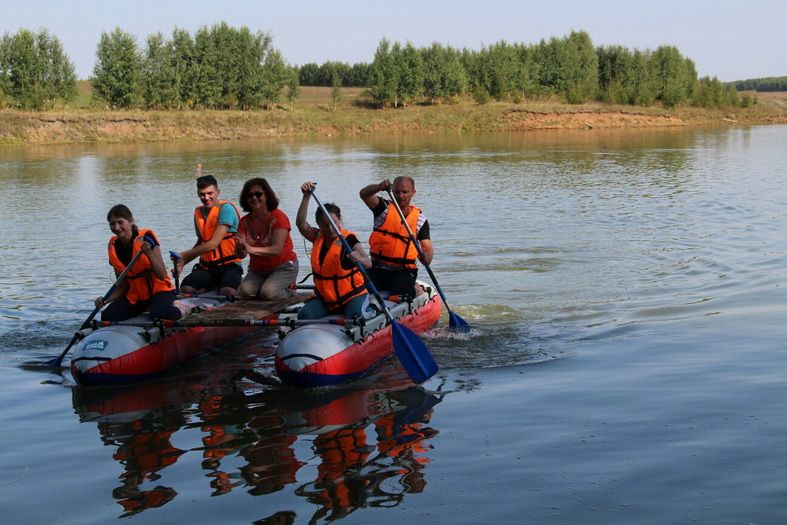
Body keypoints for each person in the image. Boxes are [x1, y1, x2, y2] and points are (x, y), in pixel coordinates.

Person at [295, 181, 371, 320]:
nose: (330, 229)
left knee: (354, 316)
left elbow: (368, 263)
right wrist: (306, 197)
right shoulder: (317, 237)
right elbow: (300, 224)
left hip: (352, 296)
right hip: (327, 300)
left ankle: (371, 311)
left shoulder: (349, 240)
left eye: (333, 223)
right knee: (304, 315)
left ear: (339, 220)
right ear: (318, 224)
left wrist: (358, 258)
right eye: (325, 225)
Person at [97, 204, 183, 322]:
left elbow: (162, 275)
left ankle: (183, 309)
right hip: (136, 297)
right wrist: (104, 300)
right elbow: (122, 286)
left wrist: (149, 253)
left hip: (160, 291)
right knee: (107, 315)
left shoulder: (146, 238)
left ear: (130, 221)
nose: (116, 227)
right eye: (112, 223)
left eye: (120, 222)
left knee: (159, 314)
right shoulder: (112, 246)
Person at [172, 165, 242, 296]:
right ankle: (208, 288)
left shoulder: (226, 209)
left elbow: (213, 244)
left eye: (210, 193)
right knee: (186, 288)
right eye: (202, 194)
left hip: (230, 266)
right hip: (207, 268)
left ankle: (222, 286)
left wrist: (184, 255)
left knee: (227, 291)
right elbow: (201, 241)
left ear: (218, 192)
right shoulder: (198, 213)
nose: (206, 197)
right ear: (198, 194)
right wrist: (182, 263)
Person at [359, 176, 433, 298]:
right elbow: (364, 194)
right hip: (378, 269)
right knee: (358, 289)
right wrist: (379, 187)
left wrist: (426, 257)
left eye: (405, 192)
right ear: (392, 191)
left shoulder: (420, 220)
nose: (401, 196)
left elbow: (427, 250)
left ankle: (416, 290)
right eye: (397, 192)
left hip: (403, 271)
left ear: (413, 193)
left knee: (400, 294)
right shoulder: (383, 209)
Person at [235, 177, 299, 300]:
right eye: (250, 195)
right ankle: (265, 290)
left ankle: (290, 291)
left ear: (267, 195)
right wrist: (240, 248)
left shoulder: (279, 218)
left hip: (284, 266)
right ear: (246, 199)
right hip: (258, 269)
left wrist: (251, 249)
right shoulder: (244, 222)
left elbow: (277, 250)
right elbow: (241, 255)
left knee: (269, 293)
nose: (254, 198)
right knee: (244, 291)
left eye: (258, 194)